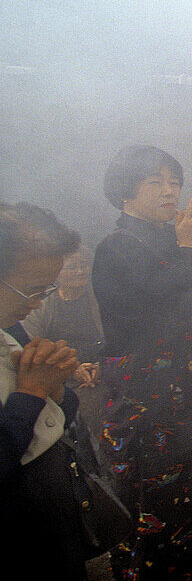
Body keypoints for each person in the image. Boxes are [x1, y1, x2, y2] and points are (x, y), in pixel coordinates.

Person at [92, 145, 192, 579]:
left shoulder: (178, 239)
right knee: (152, 485)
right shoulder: (116, 246)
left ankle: (187, 567)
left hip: (190, 390)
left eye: (174, 182)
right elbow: (153, 300)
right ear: (125, 192)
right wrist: (191, 250)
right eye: (155, 182)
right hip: (146, 398)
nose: (170, 192)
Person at [0, 202, 84, 578]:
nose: (35, 304)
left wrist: (57, 388)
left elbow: (62, 415)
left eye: (45, 291)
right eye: (31, 290)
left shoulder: (12, 328)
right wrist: (32, 394)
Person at [22, 245, 107, 433]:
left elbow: (118, 338)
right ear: (57, 271)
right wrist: (70, 369)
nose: (80, 271)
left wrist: (104, 365)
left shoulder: (102, 298)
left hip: (102, 374)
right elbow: (30, 348)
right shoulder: (41, 305)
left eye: (84, 265)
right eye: (72, 267)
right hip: (59, 378)